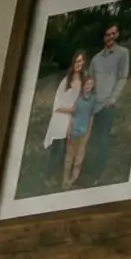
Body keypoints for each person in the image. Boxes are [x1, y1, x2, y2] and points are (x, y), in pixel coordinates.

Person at [87, 22, 131, 183]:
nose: (110, 37)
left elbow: (123, 77)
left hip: (108, 104)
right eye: (107, 34)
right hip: (93, 105)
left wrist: (112, 99)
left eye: (113, 33)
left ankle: (98, 175)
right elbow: (90, 80)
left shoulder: (123, 53)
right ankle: (87, 172)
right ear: (104, 37)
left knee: (103, 139)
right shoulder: (96, 59)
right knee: (92, 138)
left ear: (117, 35)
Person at [43, 50, 88, 188]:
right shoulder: (66, 81)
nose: (78, 64)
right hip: (60, 118)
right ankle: (48, 177)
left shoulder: (84, 81)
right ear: (73, 63)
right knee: (57, 149)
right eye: (76, 61)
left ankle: (61, 176)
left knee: (66, 150)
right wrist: (69, 110)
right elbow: (57, 104)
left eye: (81, 61)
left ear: (84, 63)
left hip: (72, 120)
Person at [64, 73, 98, 188]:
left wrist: (89, 130)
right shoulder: (77, 98)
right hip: (74, 130)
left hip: (84, 132)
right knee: (69, 156)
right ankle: (65, 180)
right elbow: (72, 115)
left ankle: (73, 180)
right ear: (83, 84)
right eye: (87, 83)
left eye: (91, 84)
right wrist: (69, 129)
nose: (89, 86)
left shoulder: (93, 99)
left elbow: (91, 116)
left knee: (79, 158)